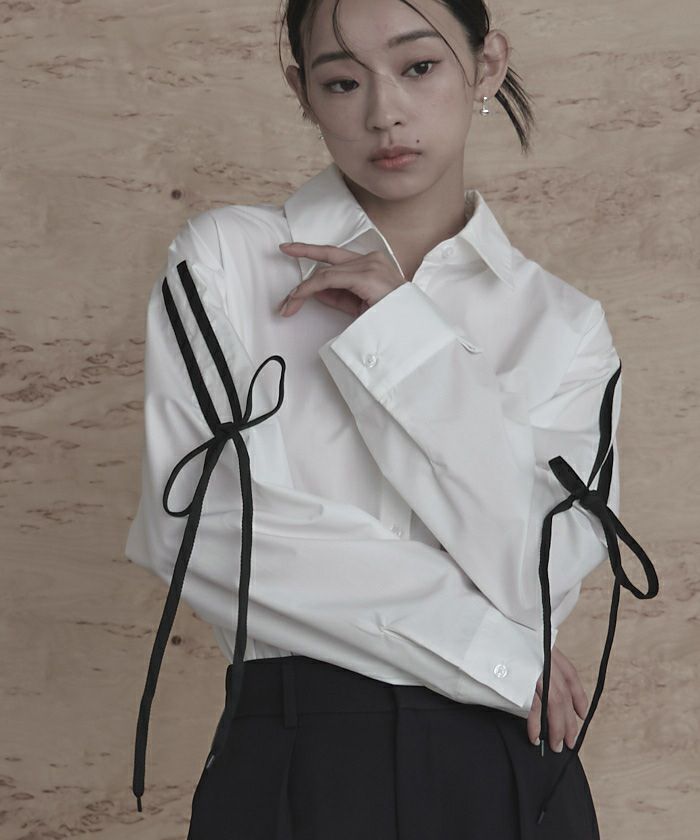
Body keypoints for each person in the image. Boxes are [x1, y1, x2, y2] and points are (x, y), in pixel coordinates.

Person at [127, 0, 659, 837]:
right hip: (294, 755)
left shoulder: (562, 324)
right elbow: (202, 524)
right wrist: (495, 651)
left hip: (510, 771)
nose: (384, 113)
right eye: (343, 82)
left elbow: (538, 569)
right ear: (303, 93)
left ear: (486, 66)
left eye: (419, 67)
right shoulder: (227, 261)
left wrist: (403, 338)